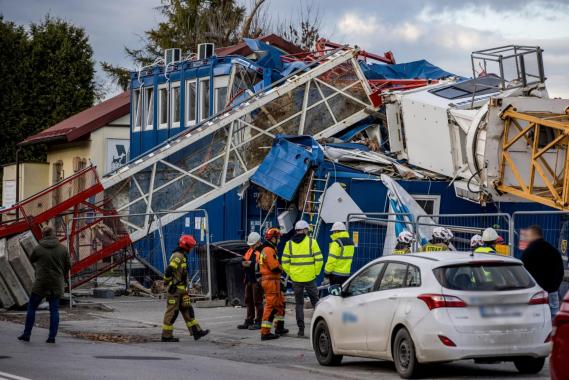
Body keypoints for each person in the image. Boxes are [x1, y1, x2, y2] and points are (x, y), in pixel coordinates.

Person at [18, 226, 71, 343]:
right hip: (57, 283)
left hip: (41, 283)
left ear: (43, 235)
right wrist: (61, 274)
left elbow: (32, 259)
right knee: (54, 310)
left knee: (32, 307)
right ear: (54, 234)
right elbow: (68, 265)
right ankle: (51, 337)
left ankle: (26, 334)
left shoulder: (38, 248)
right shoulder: (63, 249)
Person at [161, 235, 209, 342]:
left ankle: (196, 331)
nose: (191, 249)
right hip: (175, 290)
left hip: (182, 290)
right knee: (172, 313)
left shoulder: (182, 255)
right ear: (186, 246)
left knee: (188, 310)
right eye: (190, 247)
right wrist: (167, 282)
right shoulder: (178, 256)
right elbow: (169, 270)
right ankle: (166, 336)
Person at [282, 220, 323, 337]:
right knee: (316, 302)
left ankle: (301, 330)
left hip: (296, 279)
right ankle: (319, 327)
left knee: (299, 304)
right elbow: (319, 260)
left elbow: (284, 262)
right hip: (310, 278)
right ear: (305, 230)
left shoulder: (289, 244)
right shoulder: (312, 242)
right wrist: (315, 273)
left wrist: (292, 273)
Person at [521, 225, 564, 317]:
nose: (527, 238)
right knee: (554, 315)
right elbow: (560, 271)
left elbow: (523, 273)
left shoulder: (528, 252)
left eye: (528, 235)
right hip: (552, 290)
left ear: (534, 235)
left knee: (536, 316)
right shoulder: (553, 250)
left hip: (535, 292)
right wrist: (555, 286)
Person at [258, 227, 289, 340]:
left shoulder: (269, 249)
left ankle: (279, 327)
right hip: (271, 281)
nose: (279, 240)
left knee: (280, 303)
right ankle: (265, 332)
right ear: (273, 238)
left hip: (273, 280)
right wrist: (282, 268)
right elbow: (274, 267)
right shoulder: (268, 250)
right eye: (277, 238)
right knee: (270, 306)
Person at [237, 232, 264, 330]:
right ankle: (249, 320)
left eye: (253, 244)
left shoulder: (263, 251)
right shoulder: (249, 250)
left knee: (258, 301)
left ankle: (259, 321)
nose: (251, 246)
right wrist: (243, 263)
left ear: (258, 242)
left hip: (257, 280)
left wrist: (251, 264)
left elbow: (263, 265)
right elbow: (244, 260)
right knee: (248, 300)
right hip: (249, 279)